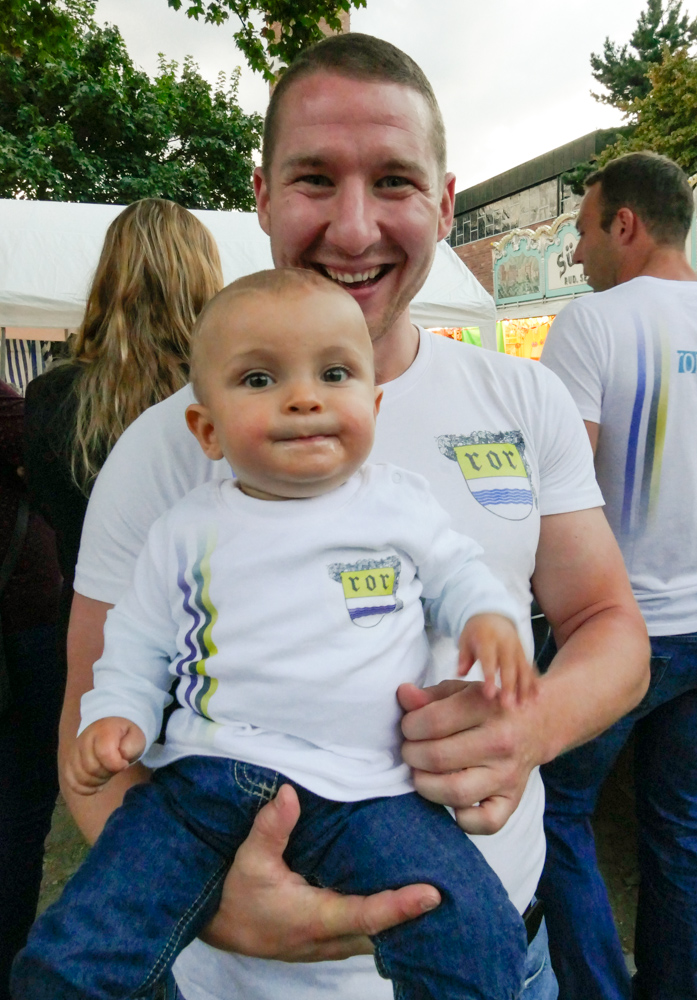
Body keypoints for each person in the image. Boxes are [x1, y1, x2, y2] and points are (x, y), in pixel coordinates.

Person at [60, 33, 651, 1000]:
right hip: (240, 981)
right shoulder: (169, 446)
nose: (353, 227)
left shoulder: (524, 399)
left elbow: (609, 626)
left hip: (502, 945)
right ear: (260, 194)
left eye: (393, 182)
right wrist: (214, 904)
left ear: (446, 203)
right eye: (313, 179)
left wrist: (531, 726)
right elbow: (88, 727)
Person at [15, 268, 540, 1000]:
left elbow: (459, 573)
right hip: (205, 780)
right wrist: (119, 716)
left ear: (374, 405)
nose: (303, 397)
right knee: (71, 957)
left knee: (476, 935)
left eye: (334, 373)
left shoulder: (398, 506)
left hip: (369, 789)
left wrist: (488, 618)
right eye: (260, 379)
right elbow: (136, 642)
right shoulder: (186, 530)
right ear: (207, 427)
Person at [539, 151, 697, 1000]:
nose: (580, 257)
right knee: (680, 818)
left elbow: (557, 491)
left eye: (585, 234)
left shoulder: (591, 326)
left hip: (626, 631)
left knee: (551, 811)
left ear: (625, 223)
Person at [23, 198, 223, 631]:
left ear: (108, 276)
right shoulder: (227, 395)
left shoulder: (50, 396)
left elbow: (49, 508)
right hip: (205, 634)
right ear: (205, 276)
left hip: (93, 627)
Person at [0, 380, 62, 1000]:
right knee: (20, 807)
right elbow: (51, 471)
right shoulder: (20, 407)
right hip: (22, 629)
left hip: (24, 626)